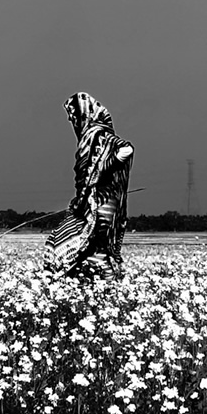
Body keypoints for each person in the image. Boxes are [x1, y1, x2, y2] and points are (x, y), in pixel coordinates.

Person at [45, 92, 134, 280]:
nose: (71, 121)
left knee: (88, 245)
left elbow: (126, 149)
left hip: (100, 203)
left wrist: (103, 170)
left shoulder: (98, 134)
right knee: (92, 248)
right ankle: (101, 283)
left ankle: (104, 284)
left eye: (73, 116)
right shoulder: (92, 136)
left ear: (84, 113)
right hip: (96, 202)